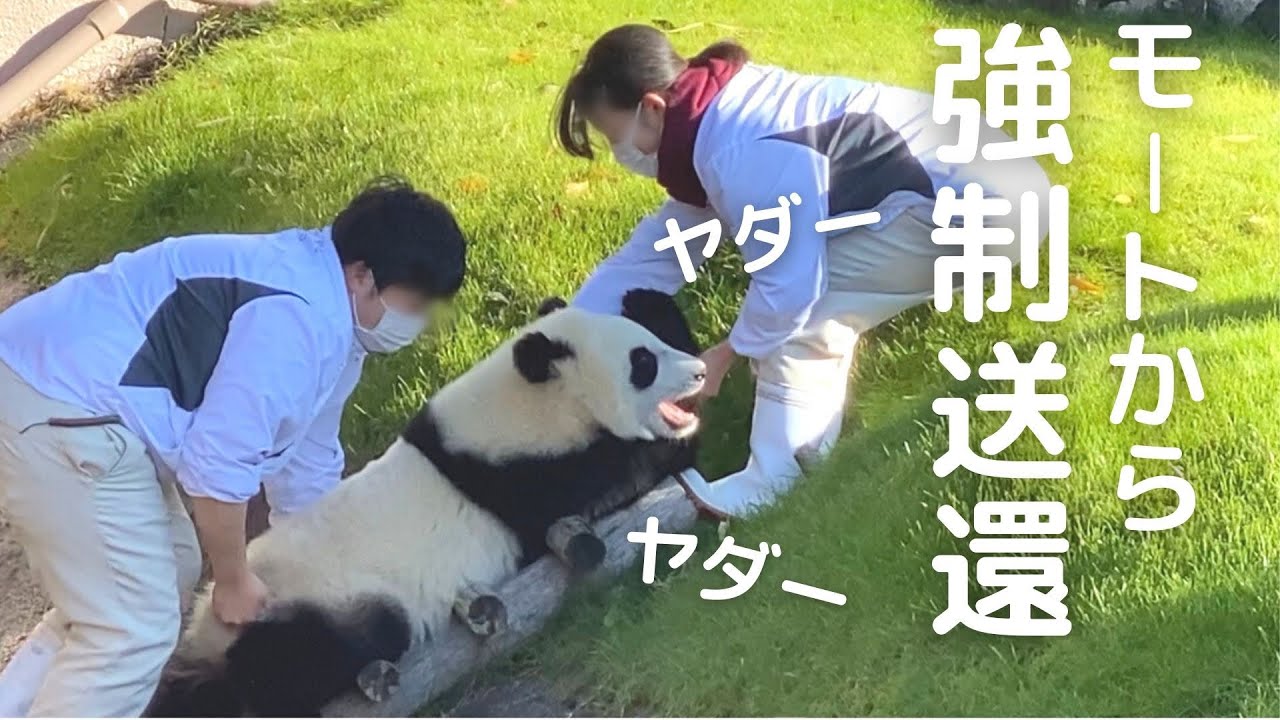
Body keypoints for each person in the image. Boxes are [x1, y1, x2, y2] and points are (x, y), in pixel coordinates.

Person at [0, 175, 466, 717]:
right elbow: (217, 468)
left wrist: (328, 561)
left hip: (62, 396)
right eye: (416, 303)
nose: (418, 322)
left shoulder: (332, 321)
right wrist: (234, 580)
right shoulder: (298, 316)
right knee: (132, 627)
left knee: (159, 570)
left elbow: (308, 466)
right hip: (54, 400)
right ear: (363, 275)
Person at [554, 24, 1051, 519]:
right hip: (993, 184)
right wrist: (565, 338)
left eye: (614, 134)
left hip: (984, 208)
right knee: (814, 308)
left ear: (654, 108)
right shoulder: (714, 122)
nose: (619, 152)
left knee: (801, 318)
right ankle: (808, 450)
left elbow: (788, 291)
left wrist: (720, 361)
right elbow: (653, 256)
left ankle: (770, 485)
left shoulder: (735, 151)